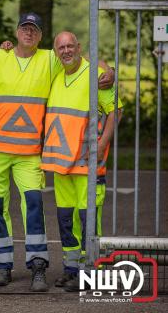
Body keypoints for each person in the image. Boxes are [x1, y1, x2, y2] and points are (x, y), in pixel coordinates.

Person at [0, 13, 114, 292]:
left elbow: (81, 62)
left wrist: (109, 71)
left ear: (41, 36)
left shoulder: (49, 60)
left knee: (33, 208)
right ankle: (2, 267)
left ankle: (38, 266)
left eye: (34, 29)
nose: (29, 33)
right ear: (16, 30)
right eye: (25, 28)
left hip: (29, 153)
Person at [40, 31, 123, 292]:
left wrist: (101, 144)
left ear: (79, 48)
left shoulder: (94, 75)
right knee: (66, 219)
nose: (66, 51)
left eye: (70, 46)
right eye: (61, 47)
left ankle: (91, 272)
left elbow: (115, 111)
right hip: (61, 165)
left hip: (88, 164)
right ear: (56, 52)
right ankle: (71, 269)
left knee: (88, 219)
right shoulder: (55, 75)